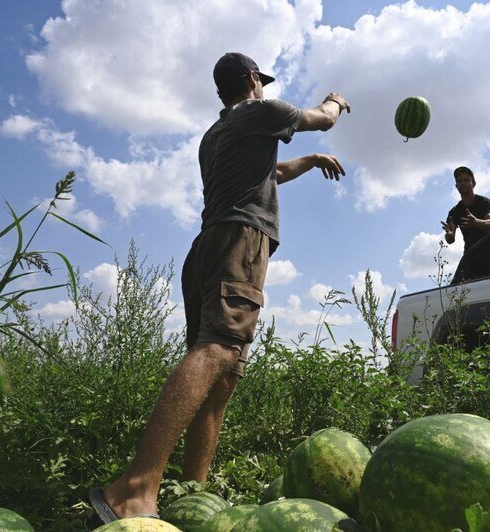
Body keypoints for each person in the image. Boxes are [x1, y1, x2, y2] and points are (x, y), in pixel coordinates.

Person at [89, 52, 351, 523]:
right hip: (239, 241)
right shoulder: (261, 112)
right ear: (253, 80)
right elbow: (323, 120)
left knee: (223, 374)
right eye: (262, 81)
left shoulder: (217, 135)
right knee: (219, 351)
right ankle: (133, 488)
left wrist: (309, 161)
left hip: (209, 245)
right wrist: (334, 100)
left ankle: (193, 497)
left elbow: (271, 174)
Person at [441, 166, 490, 281]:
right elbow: (450, 239)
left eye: (466, 180)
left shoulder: (484, 202)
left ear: (473, 183)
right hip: (471, 263)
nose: (463, 183)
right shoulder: (455, 212)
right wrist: (449, 234)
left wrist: (476, 222)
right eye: (459, 181)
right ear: (456, 186)